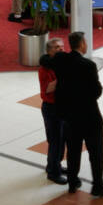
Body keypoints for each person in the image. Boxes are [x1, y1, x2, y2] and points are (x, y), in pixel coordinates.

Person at [53, 31, 103, 197]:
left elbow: (47, 59)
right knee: (96, 153)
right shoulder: (88, 66)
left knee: (73, 151)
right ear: (82, 44)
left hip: (70, 116)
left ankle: (72, 182)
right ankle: (97, 185)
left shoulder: (61, 60)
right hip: (90, 116)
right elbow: (96, 91)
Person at [38, 36, 67, 184]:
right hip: (51, 108)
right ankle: (53, 172)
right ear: (49, 51)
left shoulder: (61, 64)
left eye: (62, 46)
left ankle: (56, 164)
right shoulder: (45, 69)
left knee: (62, 139)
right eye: (57, 47)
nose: (61, 49)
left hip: (62, 106)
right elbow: (47, 89)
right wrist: (63, 77)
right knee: (55, 140)